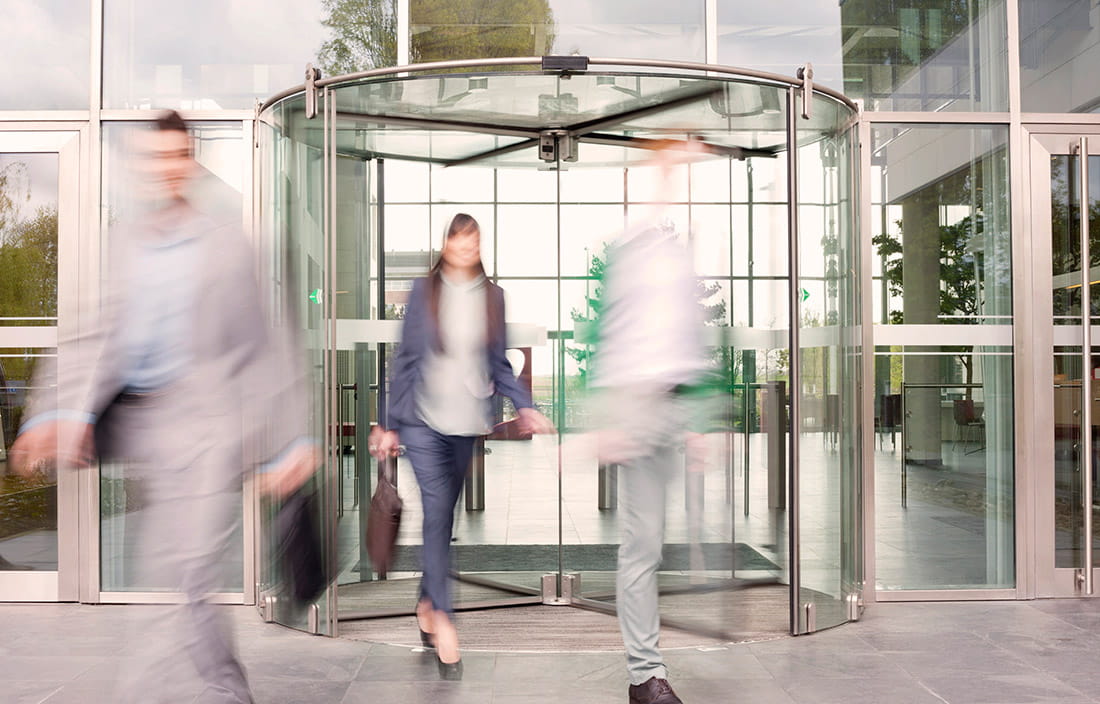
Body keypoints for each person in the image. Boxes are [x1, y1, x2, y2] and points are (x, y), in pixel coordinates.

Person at [9, 110, 316, 704]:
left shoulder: (227, 245)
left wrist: (292, 441)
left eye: (179, 157)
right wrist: (49, 415)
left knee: (188, 570)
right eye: (157, 158)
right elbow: (92, 335)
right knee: (176, 575)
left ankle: (197, 693)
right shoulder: (125, 242)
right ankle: (230, 691)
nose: (168, 168)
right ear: (144, 166)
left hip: (207, 429)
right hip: (147, 425)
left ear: (190, 163)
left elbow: (263, 345)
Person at [369, 213, 554, 680]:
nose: (466, 250)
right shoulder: (423, 292)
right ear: (447, 244)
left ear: (479, 247)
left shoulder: (493, 297)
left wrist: (524, 406)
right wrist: (389, 424)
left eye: (474, 244)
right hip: (423, 422)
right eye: (459, 242)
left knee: (443, 517)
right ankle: (446, 620)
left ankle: (427, 602)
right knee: (436, 513)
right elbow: (405, 360)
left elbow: (499, 363)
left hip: (467, 423)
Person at [590, 141, 710, 704]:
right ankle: (646, 676)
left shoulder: (674, 252)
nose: (666, 185)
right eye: (658, 175)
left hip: (673, 405)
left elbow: (688, 335)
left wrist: (698, 416)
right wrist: (609, 416)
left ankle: (650, 666)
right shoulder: (626, 252)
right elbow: (608, 334)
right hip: (636, 408)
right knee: (641, 546)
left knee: (658, 545)